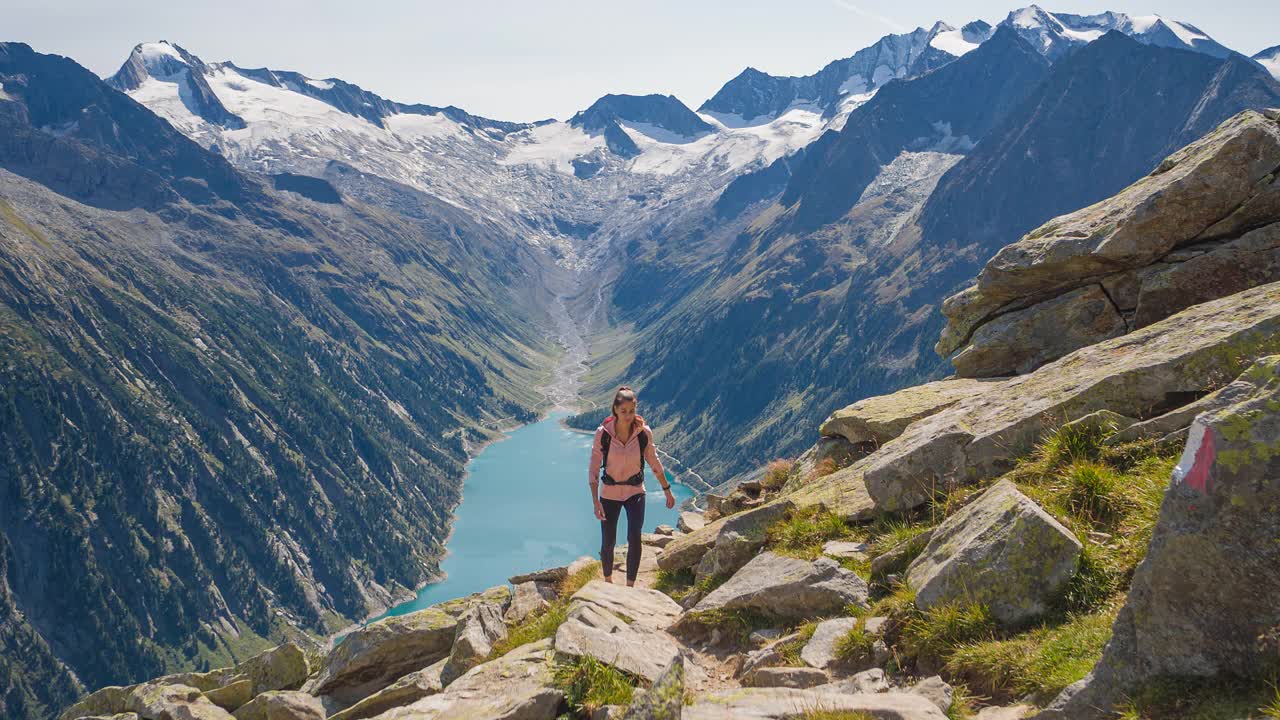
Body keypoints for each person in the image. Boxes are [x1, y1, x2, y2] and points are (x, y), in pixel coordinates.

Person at [587, 386, 675, 586]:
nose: (628, 415)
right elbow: (593, 469)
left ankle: (630, 586)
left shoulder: (643, 433)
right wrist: (595, 501)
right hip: (609, 493)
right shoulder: (603, 434)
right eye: (624, 411)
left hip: (635, 491)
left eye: (632, 411)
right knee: (608, 541)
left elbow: (654, 462)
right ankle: (608, 580)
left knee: (634, 535)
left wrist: (666, 489)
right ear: (615, 410)